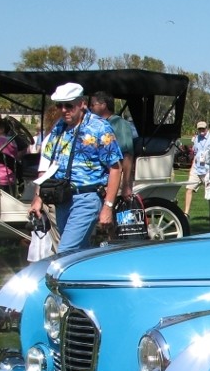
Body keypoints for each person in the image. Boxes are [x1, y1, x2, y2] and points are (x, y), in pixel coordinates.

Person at [31, 82, 121, 253]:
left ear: (82, 104)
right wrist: (38, 198)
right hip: (62, 198)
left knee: (65, 252)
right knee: (78, 254)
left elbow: (115, 168)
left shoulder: (99, 128)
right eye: (60, 105)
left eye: (69, 105)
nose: (64, 110)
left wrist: (108, 206)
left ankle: (58, 280)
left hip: (86, 198)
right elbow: (49, 165)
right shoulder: (59, 127)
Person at [90, 92, 135, 199]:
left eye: (92, 105)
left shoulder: (120, 124)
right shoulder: (93, 125)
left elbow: (127, 155)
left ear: (103, 105)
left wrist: (126, 185)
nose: (90, 108)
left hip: (114, 178)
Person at [184, 120, 210, 214]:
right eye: (199, 128)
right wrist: (192, 168)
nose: (201, 130)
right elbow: (196, 154)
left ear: (207, 128)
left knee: (209, 194)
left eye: (203, 128)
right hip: (196, 168)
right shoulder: (197, 138)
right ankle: (186, 213)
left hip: (208, 170)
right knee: (189, 189)